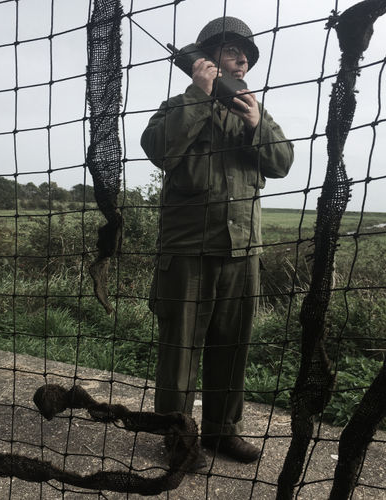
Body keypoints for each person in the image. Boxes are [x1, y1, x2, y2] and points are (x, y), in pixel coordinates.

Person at [140, 16, 294, 468]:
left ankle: (222, 432)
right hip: (187, 252)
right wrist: (198, 96)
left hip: (243, 253)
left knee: (233, 348)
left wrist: (255, 125)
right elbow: (159, 150)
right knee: (180, 352)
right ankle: (178, 439)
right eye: (231, 51)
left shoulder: (253, 108)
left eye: (245, 54)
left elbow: (282, 162)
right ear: (206, 60)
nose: (243, 59)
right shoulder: (178, 104)